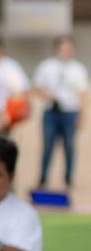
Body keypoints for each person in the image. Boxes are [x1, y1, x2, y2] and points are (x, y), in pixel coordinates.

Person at [33, 35, 88, 189]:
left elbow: (83, 94)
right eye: (64, 48)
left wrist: (82, 116)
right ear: (57, 49)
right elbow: (36, 86)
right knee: (48, 145)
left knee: (69, 146)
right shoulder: (46, 66)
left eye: (69, 48)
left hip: (70, 112)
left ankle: (68, 178)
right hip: (51, 111)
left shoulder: (78, 69)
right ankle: (43, 177)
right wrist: (49, 96)